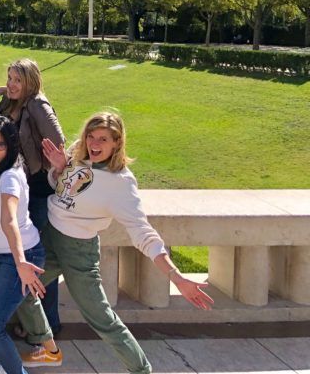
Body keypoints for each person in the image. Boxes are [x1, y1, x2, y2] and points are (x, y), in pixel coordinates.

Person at [15, 112, 213, 374]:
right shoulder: (79, 153)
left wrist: (175, 276)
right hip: (50, 239)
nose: (94, 143)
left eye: (103, 139)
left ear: (117, 142)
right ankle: (49, 349)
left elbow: (143, 232)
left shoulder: (121, 182)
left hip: (79, 252)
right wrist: (61, 168)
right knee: (19, 288)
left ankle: (142, 370)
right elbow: (61, 188)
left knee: (102, 319)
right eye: (91, 136)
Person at [0, 116, 57, 374]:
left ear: (11, 145)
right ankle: (8, 364)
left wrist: (21, 262)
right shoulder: (1, 169)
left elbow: (8, 219)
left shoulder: (9, 177)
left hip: (20, 257)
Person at [0, 58, 65, 337]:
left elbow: (58, 142)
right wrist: (0, 90)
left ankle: (48, 324)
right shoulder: (11, 102)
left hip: (37, 188)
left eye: (18, 79)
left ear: (31, 81)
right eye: (10, 78)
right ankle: (29, 321)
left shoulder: (37, 104)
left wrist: (47, 163)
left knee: (37, 257)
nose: (12, 84)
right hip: (20, 186)